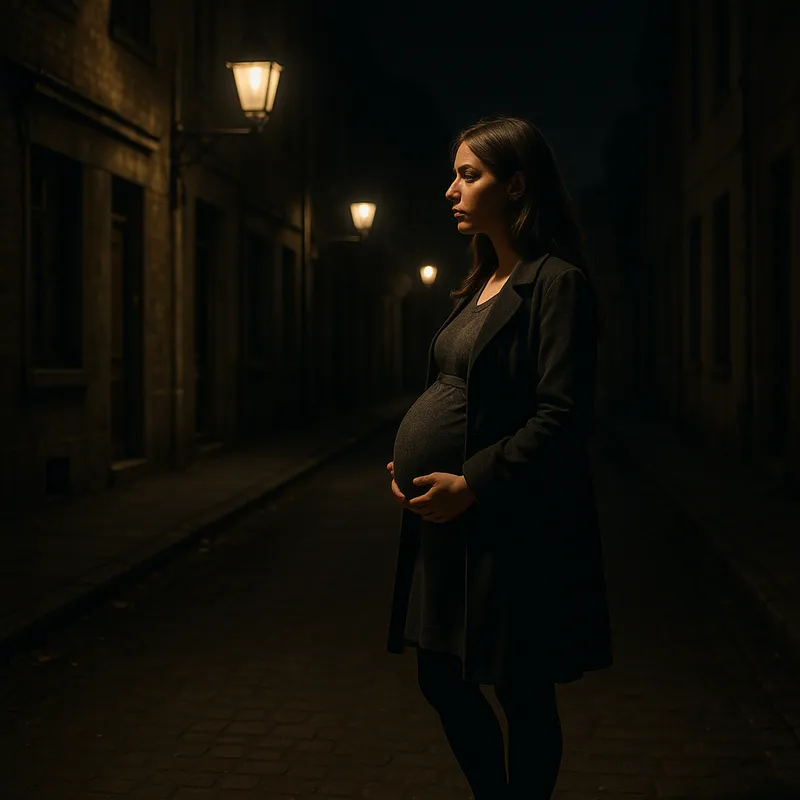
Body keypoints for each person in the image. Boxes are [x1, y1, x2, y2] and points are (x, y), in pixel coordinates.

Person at [385, 115, 613, 800]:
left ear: (515, 185)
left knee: (521, 691)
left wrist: (473, 483)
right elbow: (453, 392)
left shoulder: (555, 284)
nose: (451, 190)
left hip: (512, 523)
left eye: (469, 174)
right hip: (450, 525)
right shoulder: (478, 283)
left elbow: (561, 416)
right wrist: (411, 460)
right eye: (454, 173)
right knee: (439, 676)